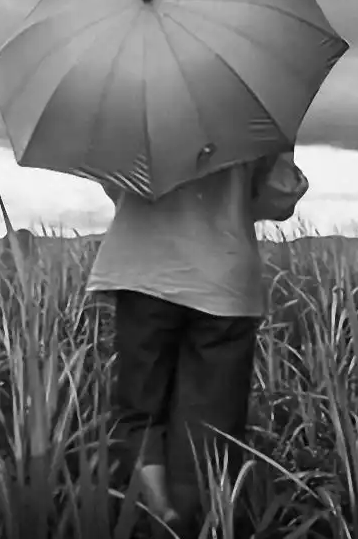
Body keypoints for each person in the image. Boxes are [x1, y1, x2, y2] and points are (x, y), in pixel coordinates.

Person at [86, 149, 311, 530]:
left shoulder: (135, 101)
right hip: (219, 281)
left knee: (140, 406)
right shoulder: (255, 114)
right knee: (211, 422)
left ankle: (156, 508)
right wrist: (279, 156)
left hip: (144, 272)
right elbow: (279, 202)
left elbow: (117, 185)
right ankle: (193, 524)